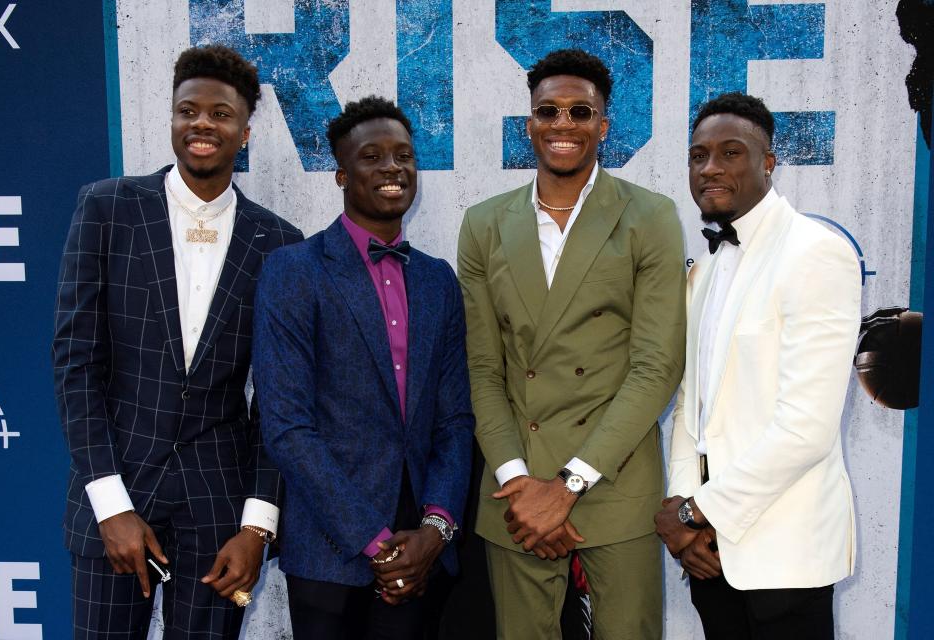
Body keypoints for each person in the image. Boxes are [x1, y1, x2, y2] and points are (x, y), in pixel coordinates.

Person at [52, 45, 302, 639]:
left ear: (245, 132)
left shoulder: (278, 242)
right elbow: (75, 365)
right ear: (171, 118)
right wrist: (111, 506)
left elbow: (279, 398)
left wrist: (257, 525)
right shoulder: (107, 208)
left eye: (220, 114)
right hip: (116, 487)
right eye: (187, 110)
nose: (202, 124)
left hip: (221, 507)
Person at [458, 48, 686, 639]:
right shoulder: (484, 224)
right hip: (517, 493)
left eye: (580, 112)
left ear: (603, 126)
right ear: (529, 123)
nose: (564, 125)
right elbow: (483, 369)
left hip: (613, 481)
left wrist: (568, 486)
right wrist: (522, 485)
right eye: (548, 111)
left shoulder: (649, 217)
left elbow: (655, 367)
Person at [253, 95, 474, 640]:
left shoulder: (437, 279)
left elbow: (454, 421)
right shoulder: (293, 271)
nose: (392, 167)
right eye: (372, 156)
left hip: (420, 545)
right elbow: (286, 426)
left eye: (403, 155)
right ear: (340, 174)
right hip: (329, 547)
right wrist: (376, 545)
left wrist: (434, 530)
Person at [655, 92, 861, 639]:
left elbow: (805, 431)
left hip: (782, 556)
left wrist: (694, 513)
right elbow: (690, 411)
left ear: (768, 162)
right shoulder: (704, 266)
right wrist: (682, 513)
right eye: (698, 156)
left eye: (731, 153)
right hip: (708, 557)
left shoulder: (815, 252)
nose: (710, 168)